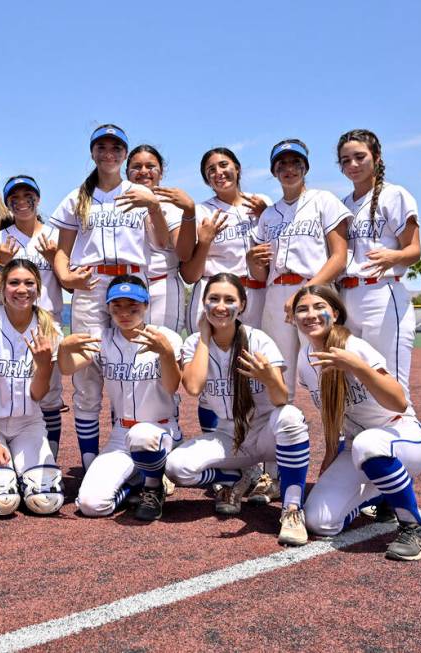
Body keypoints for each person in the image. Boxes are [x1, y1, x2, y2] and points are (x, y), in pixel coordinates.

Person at [51, 124, 172, 470]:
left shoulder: (139, 192)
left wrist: (154, 206)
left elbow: (163, 243)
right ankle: (90, 462)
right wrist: (63, 274)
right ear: (92, 153)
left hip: (132, 283)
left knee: (134, 369)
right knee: (86, 375)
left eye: (116, 147)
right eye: (101, 147)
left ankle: (140, 457)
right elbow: (62, 250)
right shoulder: (79, 196)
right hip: (91, 284)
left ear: (124, 153)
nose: (109, 153)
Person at [165, 273, 311, 545]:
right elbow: (193, 388)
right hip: (229, 436)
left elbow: (281, 398)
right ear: (204, 304)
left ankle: (292, 508)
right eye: (214, 299)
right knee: (176, 467)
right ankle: (241, 474)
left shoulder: (259, 340)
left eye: (229, 299)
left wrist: (268, 376)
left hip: (266, 432)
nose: (221, 306)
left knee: (291, 417)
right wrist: (205, 338)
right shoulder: (195, 343)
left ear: (242, 305)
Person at [293, 285, 421, 561]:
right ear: (294, 318)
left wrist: (356, 366)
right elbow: (331, 414)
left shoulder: (355, 347)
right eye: (302, 309)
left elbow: (399, 402)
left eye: (318, 307)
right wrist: (329, 456)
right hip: (355, 448)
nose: (310, 314)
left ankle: (413, 528)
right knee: (320, 521)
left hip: (401, 436)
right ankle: (382, 496)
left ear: (334, 313)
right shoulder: (303, 358)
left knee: (368, 444)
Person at [182, 146, 275, 500]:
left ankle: (263, 467)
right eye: (210, 169)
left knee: (253, 378)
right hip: (212, 295)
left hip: (250, 295)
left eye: (224, 165)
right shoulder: (204, 211)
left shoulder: (259, 204)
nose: (218, 172)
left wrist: (269, 213)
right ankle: (226, 467)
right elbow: (190, 272)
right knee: (213, 382)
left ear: (237, 168)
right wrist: (203, 242)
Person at [60, 276, 183, 521]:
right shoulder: (103, 339)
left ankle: (153, 484)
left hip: (161, 431)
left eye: (133, 306)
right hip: (121, 435)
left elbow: (172, 386)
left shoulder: (165, 337)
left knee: (143, 435)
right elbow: (67, 368)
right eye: (117, 306)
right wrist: (64, 348)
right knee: (89, 505)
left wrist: (166, 354)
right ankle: (135, 487)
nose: (124, 313)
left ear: (146, 305)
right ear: (108, 308)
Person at [0, 259, 64, 516]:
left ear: (38, 288)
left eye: (29, 283)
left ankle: (17, 472)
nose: (22, 289)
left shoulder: (48, 327)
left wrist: (44, 365)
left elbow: (38, 395)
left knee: (46, 500)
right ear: (2, 287)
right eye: (14, 282)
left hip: (29, 423)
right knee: (1, 501)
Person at [248, 139, 350, 399]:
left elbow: (339, 258)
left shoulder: (323, 200)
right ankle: (285, 433)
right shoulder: (268, 215)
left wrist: (304, 293)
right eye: (282, 163)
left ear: (306, 167)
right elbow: (261, 274)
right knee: (277, 368)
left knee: (321, 367)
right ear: (273, 171)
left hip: (314, 292)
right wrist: (253, 262)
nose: (289, 168)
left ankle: (337, 436)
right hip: (276, 294)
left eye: (296, 162)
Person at [0, 175, 64, 457]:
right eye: (14, 198)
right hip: (9, 322)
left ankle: (48, 455)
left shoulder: (55, 235)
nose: (21, 202)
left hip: (46, 320)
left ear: (38, 199)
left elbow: (67, 282)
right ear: (7, 204)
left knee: (50, 394)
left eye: (27, 195)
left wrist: (56, 258)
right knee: (12, 386)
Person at [336, 129, 420, 394]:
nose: (353, 165)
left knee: (389, 381)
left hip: (381, 294)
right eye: (345, 160)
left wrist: (394, 256)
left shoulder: (394, 195)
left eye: (359, 157)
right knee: (353, 384)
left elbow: (414, 250)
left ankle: (401, 434)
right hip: (346, 296)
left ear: (377, 157)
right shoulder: (343, 204)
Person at [124, 145, 191, 333]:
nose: (143, 171)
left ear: (161, 172)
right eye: (136, 167)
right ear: (127, 172)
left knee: (163, 346)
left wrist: (155, 208)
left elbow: (181, 251)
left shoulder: (172, 202)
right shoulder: (118, 201)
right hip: (128, 285)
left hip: (163, 285)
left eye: (150, 166)